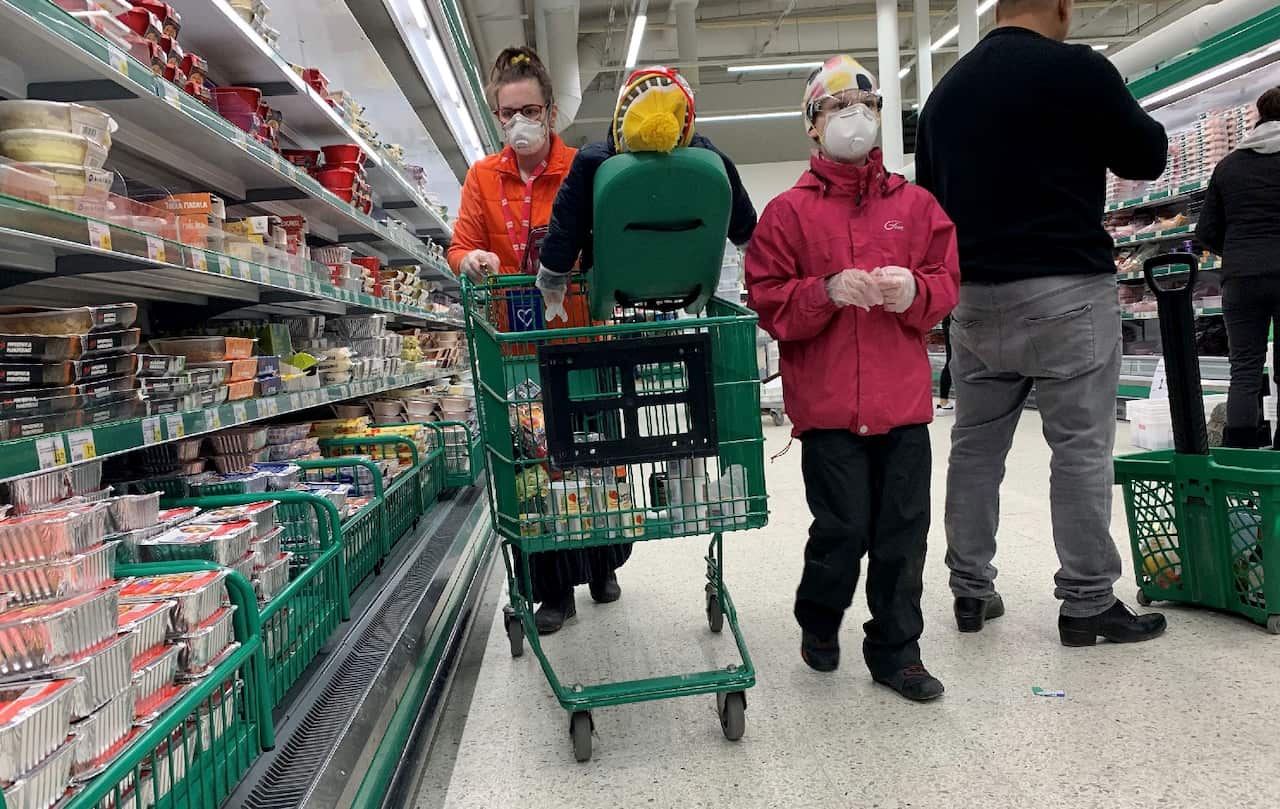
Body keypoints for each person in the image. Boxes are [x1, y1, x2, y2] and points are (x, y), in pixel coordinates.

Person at [915, 0, 1170, 646]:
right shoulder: (1080, 71)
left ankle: (970, 590)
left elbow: (928, 204)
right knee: (1080, 448)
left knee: (976, 447)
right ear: (1059, 6)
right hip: (1067, 293)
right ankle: (1086, 601)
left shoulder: (945, 95)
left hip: (973, 300)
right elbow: (1148, 155)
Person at [745, 56, 960, 702]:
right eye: (837, 105)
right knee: (841, 529)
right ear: (813, 125)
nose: (854, 115)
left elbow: (947, 281)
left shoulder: (917, 206)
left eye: (864, 103)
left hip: (902, 404)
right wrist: (829, 290)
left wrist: (914, 292)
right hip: (830, 407)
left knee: (902, 533)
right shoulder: (788, 215)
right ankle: (819, 615)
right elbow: (769, 298)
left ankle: (897, 650)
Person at [447, 47, 629, 634]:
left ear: (550, 110)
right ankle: (553, 591)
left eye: (528, 109)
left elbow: (608, 243)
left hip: (581, 338)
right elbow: (458, 246)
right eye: (506, 113)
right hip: (518, 348)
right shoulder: (482, 176)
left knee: (594, 462)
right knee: (535, 469)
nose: (517, 122)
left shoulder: (585, 167)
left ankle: (602, 562)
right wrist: (471, 258)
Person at [535, 65, 757, 315]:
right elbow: (744, 224)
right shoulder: (711, 161)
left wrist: (553, 272)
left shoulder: (593, 163)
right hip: (690, 280)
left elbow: (568, 222)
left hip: (612, 281)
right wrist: (755, 255)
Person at [1196, 87, 1280, 449]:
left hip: (1241, 278)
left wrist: (1236, 252)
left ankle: (1240, 450)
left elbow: (1206, 232)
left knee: (1244, 368)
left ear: (1259, 116)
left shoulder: (1228, 165)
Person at [935, 315, 955, 416]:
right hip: (959, 320)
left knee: (951, 360)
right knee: (954, 361)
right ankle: (944, 403)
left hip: (949, 319)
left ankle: (943, 402)